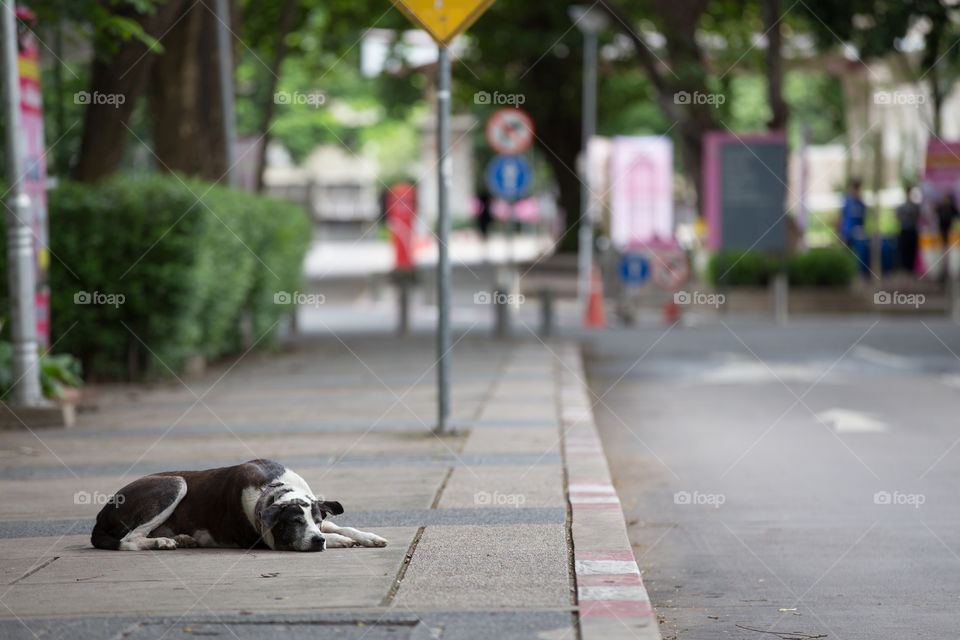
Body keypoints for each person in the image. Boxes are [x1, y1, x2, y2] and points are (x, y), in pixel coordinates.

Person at [895, 185, 921, 275]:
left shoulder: (915, 206)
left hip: (912, 230)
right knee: (904, 251)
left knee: (912, 251)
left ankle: (911, 269)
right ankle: (905, 269)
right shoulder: (901, 207)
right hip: (905, 231)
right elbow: (898, 217)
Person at [838, 179, 866, 246]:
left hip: (858, 235)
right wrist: (840, 232)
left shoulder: (861, 204)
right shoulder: (847, 203)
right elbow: (841, 217)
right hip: (848, 234)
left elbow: (863, 220)